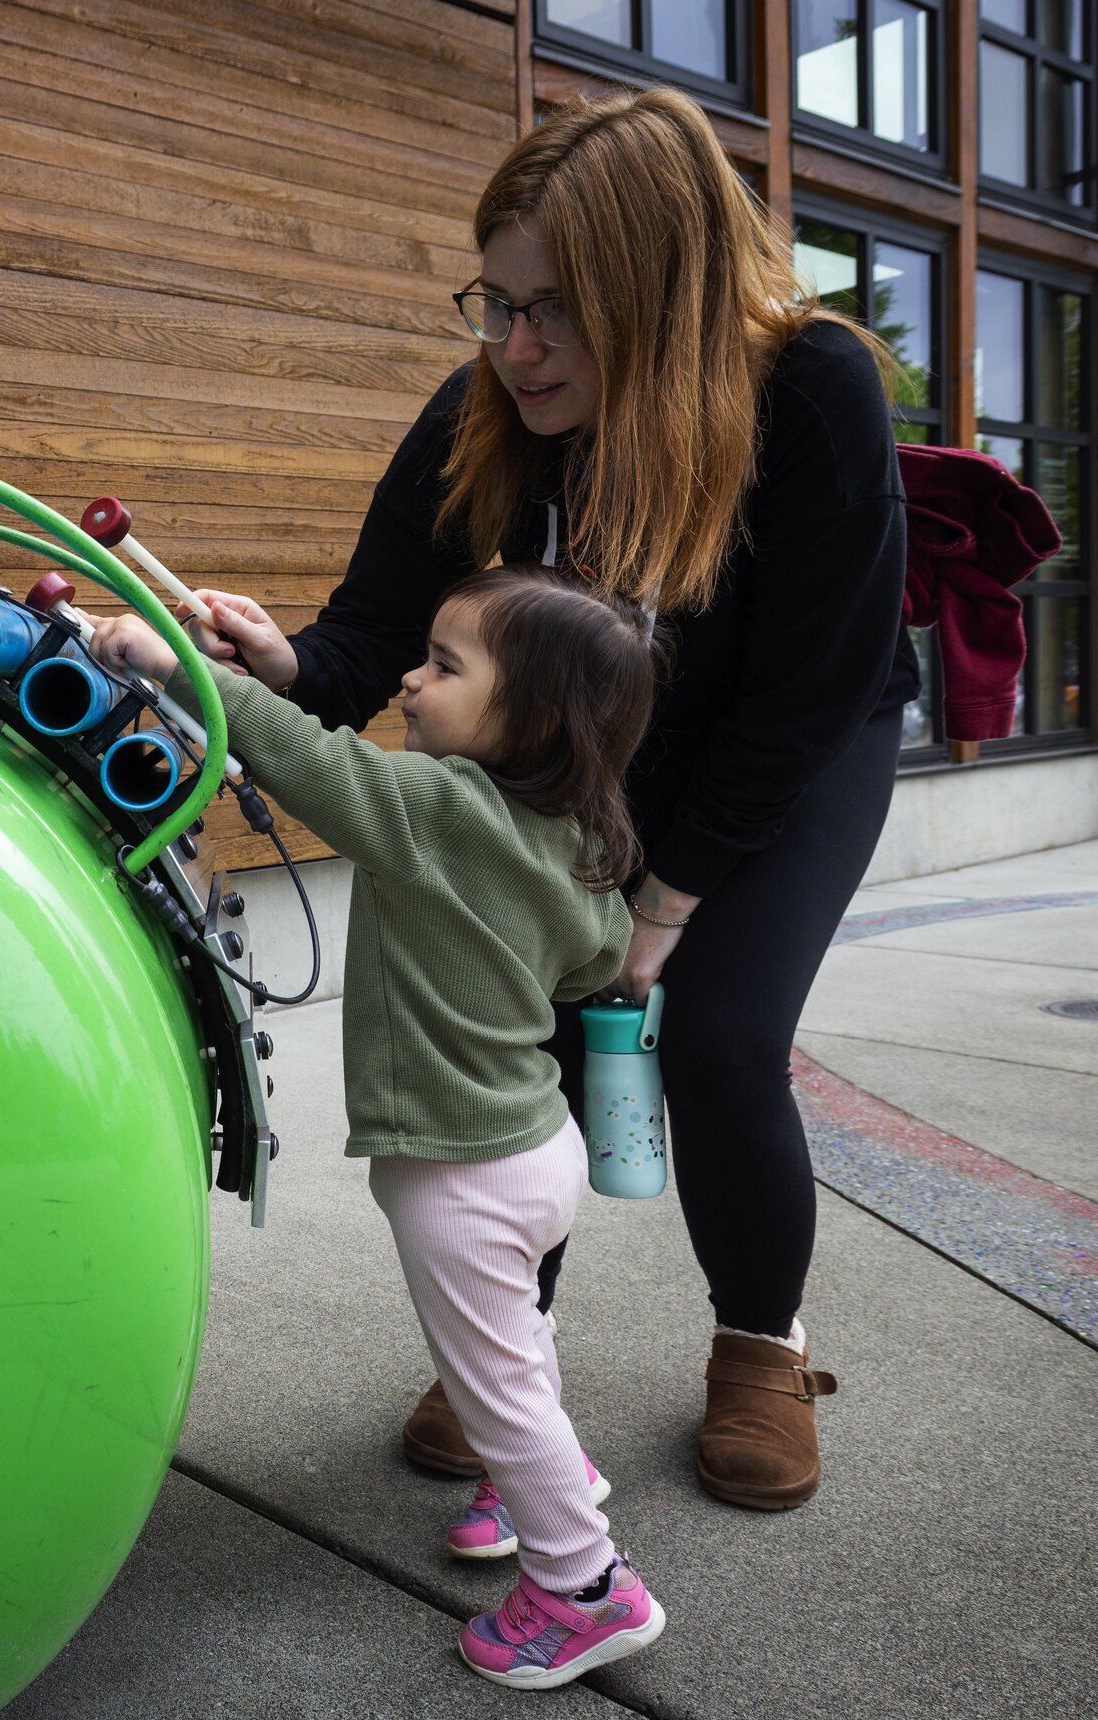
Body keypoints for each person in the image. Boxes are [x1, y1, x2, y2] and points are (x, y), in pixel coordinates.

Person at [171, 87, 903, 1510]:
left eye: (555, 310)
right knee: (536, 1024)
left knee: (724, 1038)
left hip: (787, 744)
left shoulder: (811, 389)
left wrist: (670, 898)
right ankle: (512, 1351)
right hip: (595, 752)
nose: (514, 348)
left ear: (662, 296)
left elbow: (807, 689)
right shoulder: (485, 410)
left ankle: (762, 1346)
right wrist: (279, 662)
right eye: (494, 303)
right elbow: (366, 634)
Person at [94, 565, 664, 1690]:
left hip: (464, 1172)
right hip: (535, 1143)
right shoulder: (580, 834)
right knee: (512, 1352)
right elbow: (599, 957)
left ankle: (585, 1586)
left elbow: (307, 757)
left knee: (491, 1376)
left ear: (533, 717)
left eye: (446, 665)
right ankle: (538, 1476)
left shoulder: (436, 809)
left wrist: (185, 668)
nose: (411, 675)